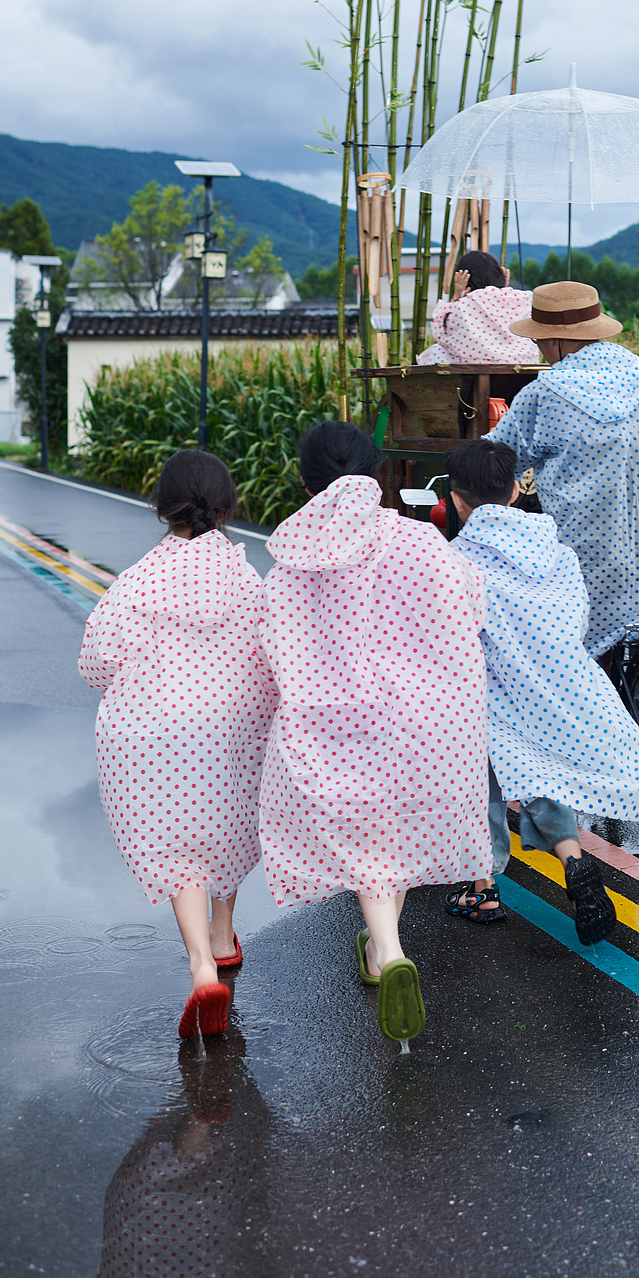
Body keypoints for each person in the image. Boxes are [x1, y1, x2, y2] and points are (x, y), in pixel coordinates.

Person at [257, 420, 490, 1046]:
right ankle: (383, 944)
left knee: (367, 834)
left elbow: (275, 656)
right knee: (395, 833)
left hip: (338, 724)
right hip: (432, 725)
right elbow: (472, 609)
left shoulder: (291, 565)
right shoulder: (421, 540)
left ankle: (386, 951)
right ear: (377, 472)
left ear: (305, 482)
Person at [79, 450, 277, 1042]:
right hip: (232, 725)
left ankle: (199, 966)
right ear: (225, 509)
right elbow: (274, 653)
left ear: (162, 509)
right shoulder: (246, 576)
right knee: (226, 819)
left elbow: (94, 665)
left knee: (176, 843)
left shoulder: (137, 581)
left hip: (153, 730)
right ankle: (223, 936)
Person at [442, 437, 639, 942]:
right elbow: (576, 615)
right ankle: (573, 858)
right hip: (558, 679)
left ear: (456, 499)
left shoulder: (458, 558)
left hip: (494, 686)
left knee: (489, 775)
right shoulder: (555, 551)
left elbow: (455, 633)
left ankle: (480, 885)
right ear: (516, 492)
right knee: (542, 769)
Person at [490, 280, 639, 661]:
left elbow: (499, 456)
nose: (539, 349)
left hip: (590, 557)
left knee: (567, 640)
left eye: (540, 340)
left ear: (556, 341)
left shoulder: (547, 391)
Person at [417, 248, 541, 367]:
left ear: (463, 278)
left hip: (476, 374)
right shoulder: (525, 298)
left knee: (435, 352)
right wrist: (503, 287)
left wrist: (456, 296)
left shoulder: (463, 305)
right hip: (523, 367)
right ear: (500, 275)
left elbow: (442, 335)